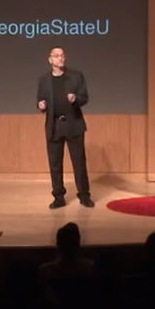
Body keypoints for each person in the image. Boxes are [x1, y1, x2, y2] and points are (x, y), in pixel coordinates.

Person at [36, 46, 94, 208]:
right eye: (56, 56)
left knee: (79, 162)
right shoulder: (44, 80)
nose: (60, 58)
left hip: (73, 124)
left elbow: (84, 97)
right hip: (54, 126)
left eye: (62, 55)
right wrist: (41, 105)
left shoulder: (76, 76)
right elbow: (41, 99)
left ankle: (84, 195)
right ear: (50, 60)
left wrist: (75, 99)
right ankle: (58, 197)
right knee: (55, 163)